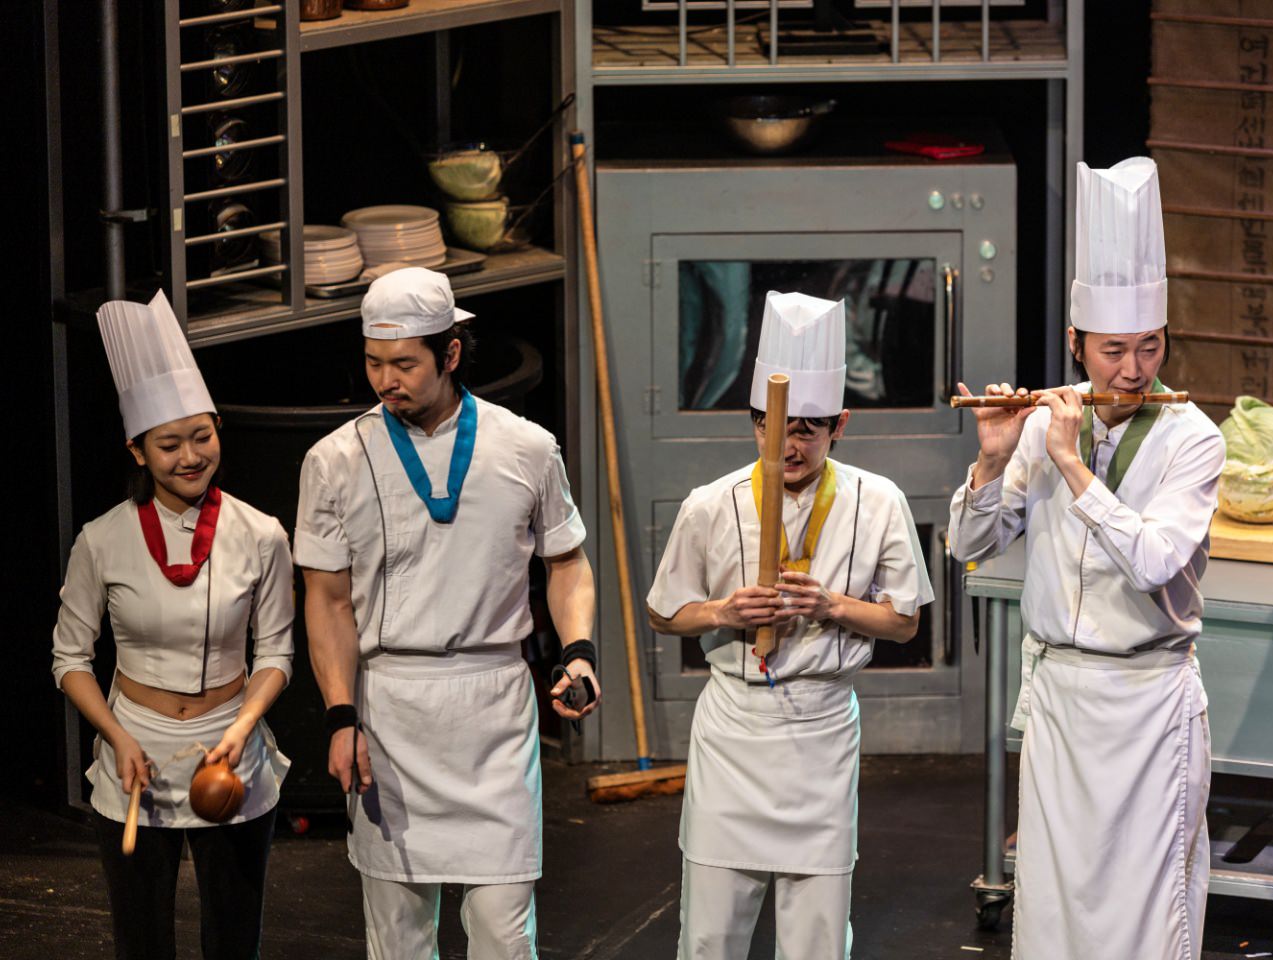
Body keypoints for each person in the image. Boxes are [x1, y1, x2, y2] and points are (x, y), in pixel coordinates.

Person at [948, 157, 1225, 960]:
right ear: (1075, 344)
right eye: (1112, 351)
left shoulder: (1192, 439)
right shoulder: (1041, 424)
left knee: (1145, 908)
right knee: (1056, 904)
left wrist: (1072, 466)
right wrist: (994, 458)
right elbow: (969, 547)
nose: (1132, 371)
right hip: (1061, 700)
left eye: (1148, 347)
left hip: (1147, 704)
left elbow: (1154, 561)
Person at [294, 267, 601, 959]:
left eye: (405, 364)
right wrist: (340, 715)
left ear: (451, 352)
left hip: (493, 709)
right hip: (390, 709)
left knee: (503, 933)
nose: (385, 380)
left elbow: (567, 563)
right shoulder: (333, 460)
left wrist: (578, 652)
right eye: (374, 362)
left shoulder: (526, 447)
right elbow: (328, 599)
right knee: (398, 938)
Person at [647, 290, 934, 960]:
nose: (789, 444)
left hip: (821, 729)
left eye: (808, 428)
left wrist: (832, 606)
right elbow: (663, 610)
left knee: (816, 937)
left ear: (840, 424)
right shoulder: (710, 504)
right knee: (710, 934)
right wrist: (722, 612)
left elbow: (903, 622)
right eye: (773, 426)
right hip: (734, 729)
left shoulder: (878, 501)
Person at [52, 291, 293, 960]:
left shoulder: (262, 535)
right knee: (142, 942)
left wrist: (242, 730)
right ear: (137, 451)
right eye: (169, 444)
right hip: (138, 753)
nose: (190, 455)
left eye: (202, 436)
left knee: (234, 940)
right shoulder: (102, 540)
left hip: (230, 750)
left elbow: (276, 653)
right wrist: (117, 736)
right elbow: (70, 658)